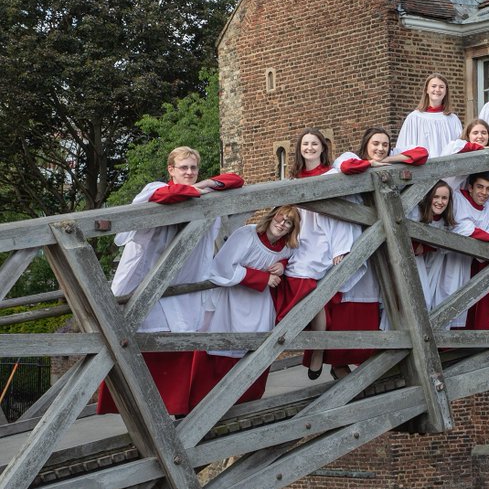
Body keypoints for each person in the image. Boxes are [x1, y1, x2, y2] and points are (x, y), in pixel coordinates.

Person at [97, 146, 243, 416]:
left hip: (183, 282)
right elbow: (175, 194)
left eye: (193, 168)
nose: (189, 173)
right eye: (183, 168)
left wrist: (206, 184)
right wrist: (200, 189)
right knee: (137, 340)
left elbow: (236, 180)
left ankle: (176, 408)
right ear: (171, 170)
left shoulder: (203, 191)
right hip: (144, 280)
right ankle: (138, 410)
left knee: (180, 339)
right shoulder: (155, 189)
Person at [324, 129, 429, 378]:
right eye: (375, 144)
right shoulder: (352, 157)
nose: (380, 148)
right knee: (349, 300)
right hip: (353, 239)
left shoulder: (389, 161)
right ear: (365, 144)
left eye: (384, 145)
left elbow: (422, 155)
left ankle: (367, 365)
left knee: (372, 301)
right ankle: (338, 363)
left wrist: (389, 161)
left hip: (378, 243)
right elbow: (347, 167)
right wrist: (370, 164)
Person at [191, 205, 300, 408]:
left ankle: (246, 403)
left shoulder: (287, 247)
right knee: (222, 344)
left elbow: (296, 259)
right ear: (271, 216)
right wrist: (261, 278)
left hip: (260, 306)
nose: (282, 224)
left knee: (255, 349)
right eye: (280, 217)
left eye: (288, 222)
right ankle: (204, 405)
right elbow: (221, 267)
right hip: (231, 301)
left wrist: (283, 265)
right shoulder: (247, 235)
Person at [274, 128, 339, 380]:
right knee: (295, 284)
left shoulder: (331, 175)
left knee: (309, 286)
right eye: (305, 144)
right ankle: (312, 346)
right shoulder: (293, 178)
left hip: (319, 238)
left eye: (314, 144)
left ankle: (319, 350)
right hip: (297, 236)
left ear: (323, 148)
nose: (309, 148)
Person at [450, 172, 489, 329]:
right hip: (453, 262)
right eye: (480, 187)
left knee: (479, 310)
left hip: (481, 268)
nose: (484, 193)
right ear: (470, 187)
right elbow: (461, 228)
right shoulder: (457, 198)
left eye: (488, 189)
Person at [408, 181, 475, 314]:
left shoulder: (445, 222)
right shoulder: (416, 213)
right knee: (419, 300)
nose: (440, 201)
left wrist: (427, 247)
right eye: (436, 197)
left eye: (444, 198)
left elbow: (465, 231)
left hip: (432, 262)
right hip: (414, 262)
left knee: (428, 300)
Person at [395, 73, 462, 156]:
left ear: (446, 92)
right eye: (433, 86)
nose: (437, 89)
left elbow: (459, 148)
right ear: (427, 90)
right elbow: (403, 148)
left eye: (441, 87)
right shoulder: (414, 118)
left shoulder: (453, 119)